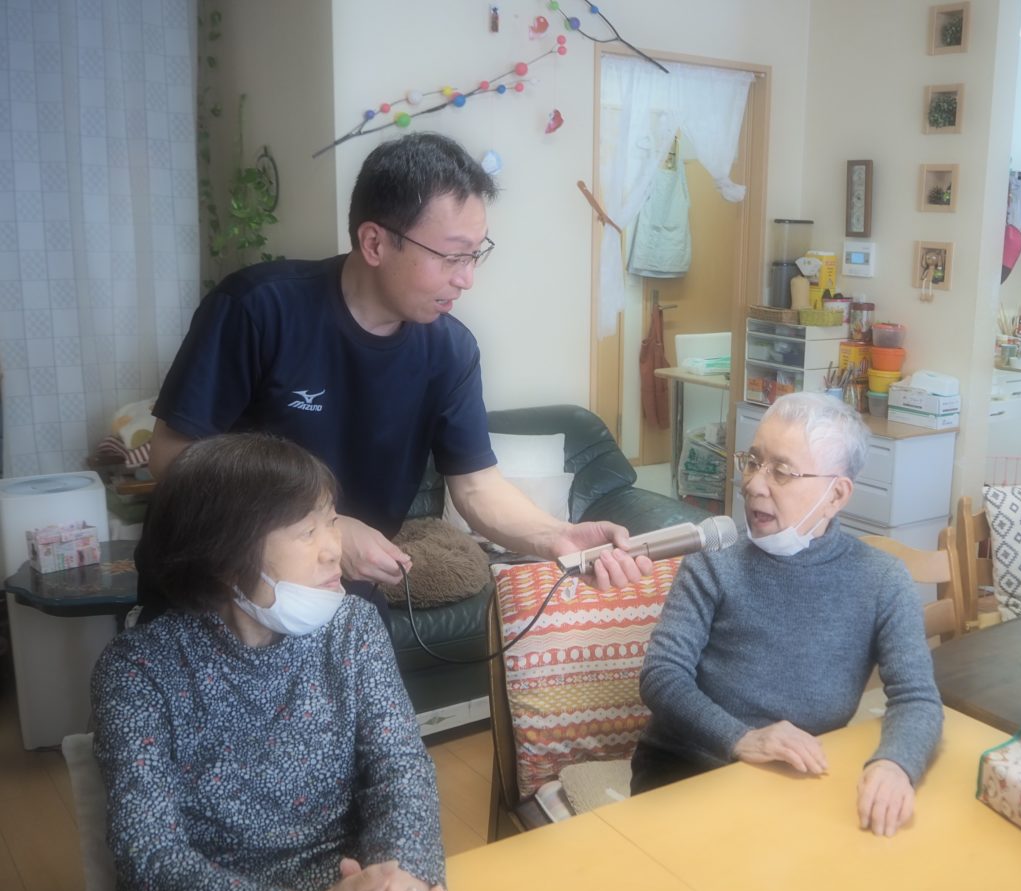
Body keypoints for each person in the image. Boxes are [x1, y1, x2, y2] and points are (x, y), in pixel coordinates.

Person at [146, 132, 648, 610]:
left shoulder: (451, 351)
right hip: (221, 591)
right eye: (452, 256)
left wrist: (558, 536)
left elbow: (477, 486)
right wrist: (328, 529)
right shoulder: (259, 309)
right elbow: (172, 457)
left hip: (343, 594)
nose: (467, 278)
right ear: (375, 243)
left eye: (476, 254)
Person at [91, 433, 452, 891]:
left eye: (332, 521)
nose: (334, 549)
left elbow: (401, 771)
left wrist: (400, 890)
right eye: (307, 532)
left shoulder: (353, 628)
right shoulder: (139, 670)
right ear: (223, 556)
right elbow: (148, 856)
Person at [631, 392, 943, 837]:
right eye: (753, 462)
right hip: (686, 767)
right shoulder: (714, 561)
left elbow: (916, 698)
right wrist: (741, 738)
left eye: (781, 471)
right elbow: (662, 675)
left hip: (795, 776)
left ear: (836, 495)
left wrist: (896, 764)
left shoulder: (882, 580)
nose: (754, 484)